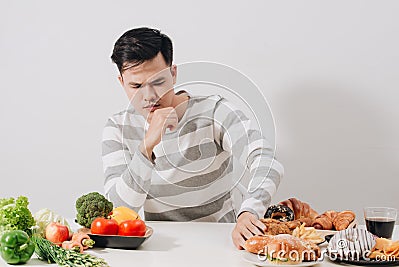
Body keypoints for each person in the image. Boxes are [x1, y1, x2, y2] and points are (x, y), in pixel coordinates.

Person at [102, 27, 284, 249]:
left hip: (223, 242)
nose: (149, 96)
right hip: (161, 248)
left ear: (173, 74)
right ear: (122, 82)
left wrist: (249, 212)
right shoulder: (118, 128)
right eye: (136, 86)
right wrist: (147, 146)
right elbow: (119, 210)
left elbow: (266, 160)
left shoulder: (214, 111)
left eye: (158, 82)